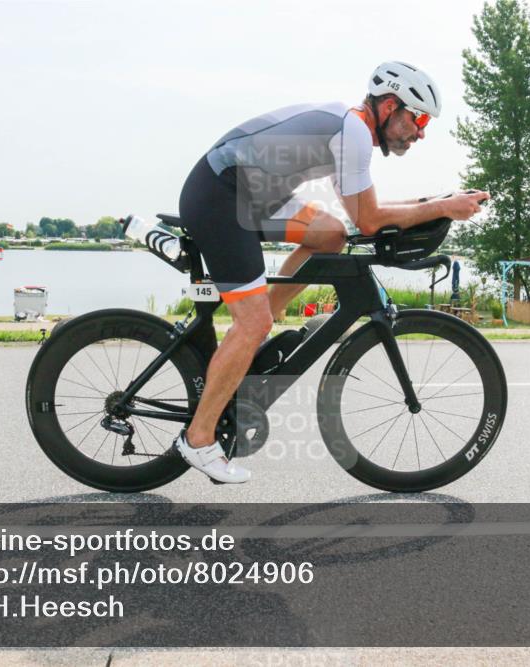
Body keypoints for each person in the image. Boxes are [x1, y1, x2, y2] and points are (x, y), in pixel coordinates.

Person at [174, 60, 490, 483]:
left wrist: (436, 203)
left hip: (253, 194)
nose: (420, 133)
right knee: (251, 322)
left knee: (330, 234)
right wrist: (443, 207)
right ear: (390, 106)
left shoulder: (350, 130)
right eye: (418, 119)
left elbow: (361, 214)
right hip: (222, 195)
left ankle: (257, 332)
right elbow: (371, 221)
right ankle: (198, 439)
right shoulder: (353, 131)